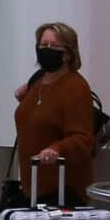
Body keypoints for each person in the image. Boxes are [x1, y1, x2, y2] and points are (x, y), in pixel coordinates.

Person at [13, 22, 95, 204]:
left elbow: (83, 138)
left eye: (53, 46)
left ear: (67, 53)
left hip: (61, 190)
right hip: (32, 186)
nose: (46, 50)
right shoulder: (38, 81)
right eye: (43, 45)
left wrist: (56, 149)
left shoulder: (75, 87)